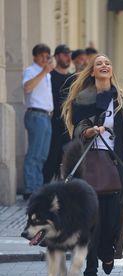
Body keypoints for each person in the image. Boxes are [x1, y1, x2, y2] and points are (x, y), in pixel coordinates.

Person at [62, 54, 123, 276]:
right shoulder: (83, 98)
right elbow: (78, 129)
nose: (104, 65)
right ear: (92, 71)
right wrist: (90, 131)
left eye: (108, 63)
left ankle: (107, 252)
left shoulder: (120, 99)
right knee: (90, 218)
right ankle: (90, 266)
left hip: (114, 164)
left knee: (111, 218)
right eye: (99, 63)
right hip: (89, 164)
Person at [22, 43, 54, 200]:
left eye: (47, 56)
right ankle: (30, 188)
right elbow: (27, 88)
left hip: (46, 116)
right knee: (34, 153)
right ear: (35, 57)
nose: (44, 59)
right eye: (41, 56)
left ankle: (37, 188)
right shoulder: (31, 71)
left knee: (42, 155)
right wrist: (43, 72)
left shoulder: (47, 74)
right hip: (36, 115)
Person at [43, 44, 73, 183]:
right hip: (53, 122)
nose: (68, 57)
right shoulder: (49, 76)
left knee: (68, 158)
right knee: (51, 158)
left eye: (69, 54)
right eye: (64, 54)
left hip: (69, 124)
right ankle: (46, 189)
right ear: (56, 56)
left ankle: (65, 190)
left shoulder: (73, 78)